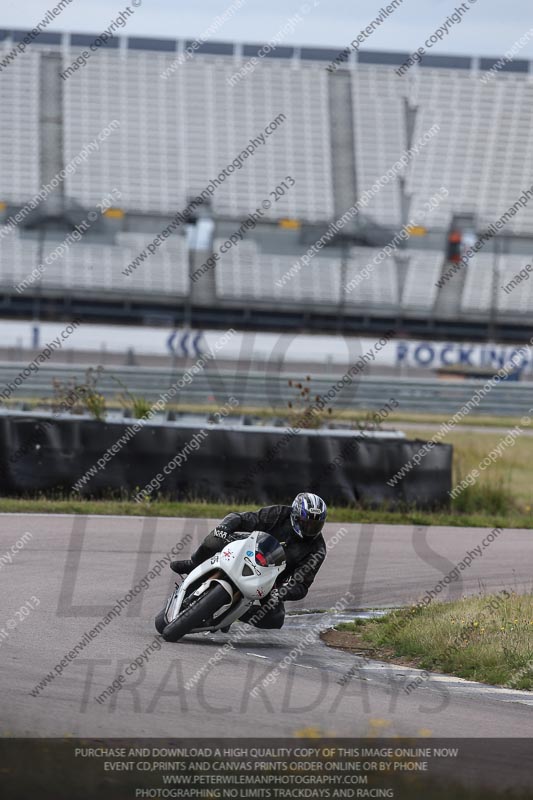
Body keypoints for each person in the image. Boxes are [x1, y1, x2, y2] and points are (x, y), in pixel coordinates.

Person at [170, 492, 328, 630]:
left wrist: (281, 593)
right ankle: (193, 565)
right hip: (248, 549)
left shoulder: (317, 549)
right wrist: (225, 527)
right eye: (306, 523)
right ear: (295, 516)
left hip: (271, 580)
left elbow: (301, 585)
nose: (310, 528)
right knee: (214, 540)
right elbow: (243, 518)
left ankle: (233, 614)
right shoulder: (279, 513)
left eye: (315, 525)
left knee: (275, 619)